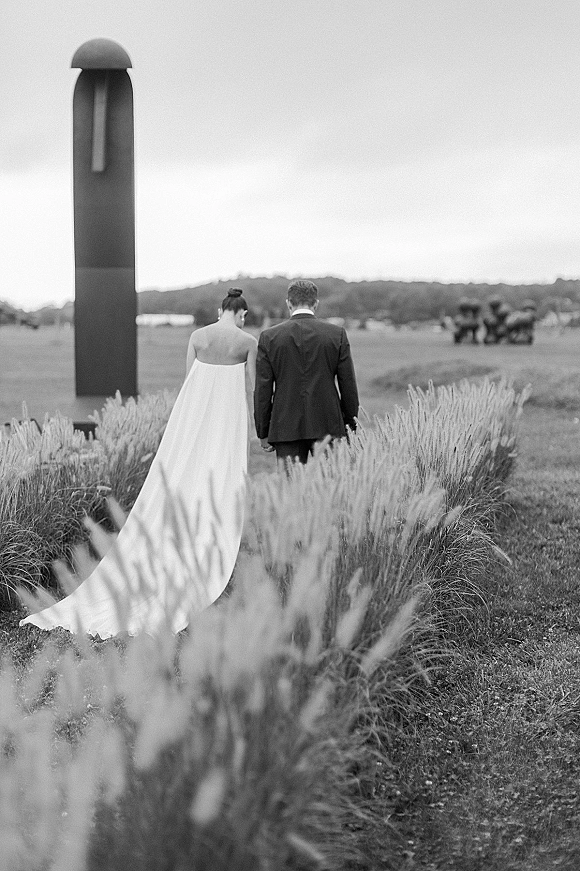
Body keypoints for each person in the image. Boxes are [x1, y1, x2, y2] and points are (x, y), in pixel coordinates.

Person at [20, 289, 257, 638]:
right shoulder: (248, 341)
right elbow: (250, 385)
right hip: (227, 420)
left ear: (220, 309)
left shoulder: (197, 336)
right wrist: (248, 427)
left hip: (191, 420)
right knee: (222, 475)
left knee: (181, 473)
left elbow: (190, 383)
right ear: (242, 314)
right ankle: (211, 533)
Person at [254, 279, 359, 467]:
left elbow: (263, 390)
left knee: (291, 490)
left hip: (285, 425)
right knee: (330, 488)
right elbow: (348, 385)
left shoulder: (269, 337)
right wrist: (351, 426)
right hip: (328, 424)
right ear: (316, 304)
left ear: (288, 303)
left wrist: (263, 431)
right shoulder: (337, 334)